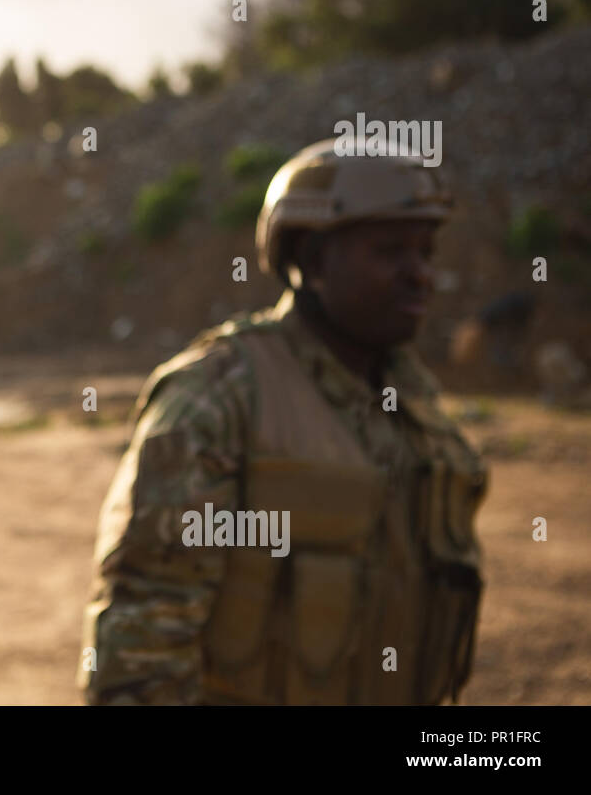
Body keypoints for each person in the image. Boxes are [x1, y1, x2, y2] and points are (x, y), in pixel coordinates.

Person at [80, 139, 487, 705]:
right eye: (391, 252)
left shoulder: (414, 403)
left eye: (426, 252)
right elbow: (140, 654)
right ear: (314, 261)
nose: (421, 275)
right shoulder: (219, 398)